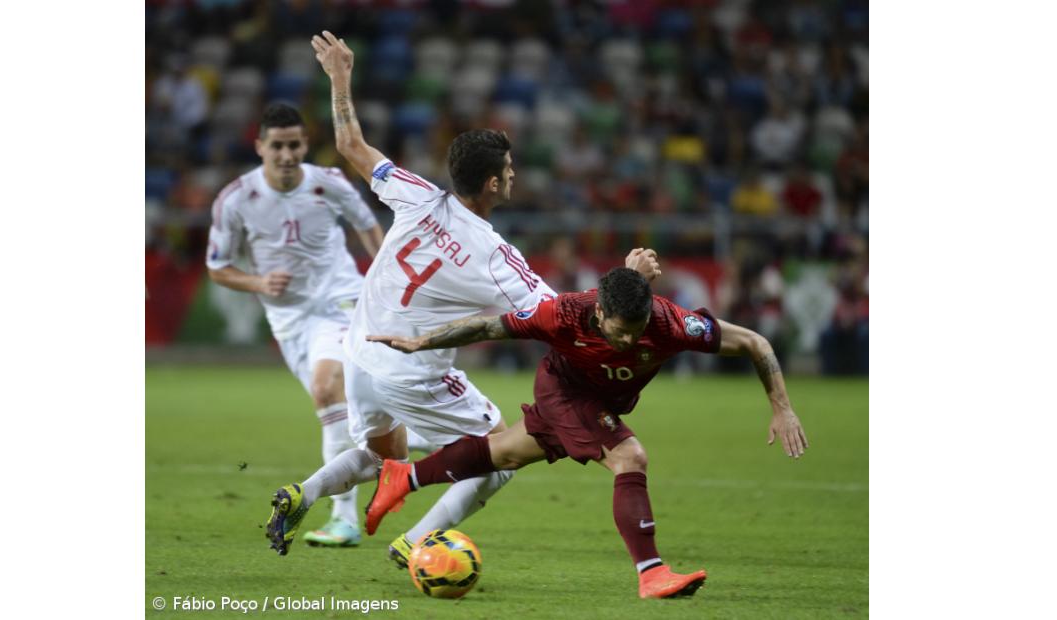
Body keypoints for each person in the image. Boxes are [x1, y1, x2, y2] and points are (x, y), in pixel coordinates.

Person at [263, 32, 661, 562]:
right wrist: (628, 277)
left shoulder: (415, 194)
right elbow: (564, 312)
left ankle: (303, 493)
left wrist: (339, 79)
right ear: (493, 184)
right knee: (500, 455)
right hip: (411, 373)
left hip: (358, 354)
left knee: (385, 455)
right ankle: (416, 544)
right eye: (510, 170)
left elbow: (351, 146)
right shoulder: (495, 257)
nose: (515, 175)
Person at [362, 267, 810, 599]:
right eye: (620, 332)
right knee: (629, 457)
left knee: (506, 453)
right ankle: (651, 571)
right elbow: (487, 326)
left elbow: (755, 343)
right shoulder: (563, 314)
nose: (630, 343)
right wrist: (422, 342)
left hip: (595, 401)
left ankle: (404, 477)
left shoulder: (671, 324)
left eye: (637, 333)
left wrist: (782, 408)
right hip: (563, 390)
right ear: (599, 312)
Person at [207, 102, 435, 547]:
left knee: (327, 385)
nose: (287, 154)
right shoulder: (235, 200)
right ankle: (419, 437)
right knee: (339, 407)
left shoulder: (329, 183)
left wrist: (384, 281)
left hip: (341, 300)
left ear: (305, 145)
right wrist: (256, 280)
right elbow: (217, 267)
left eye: (294, 145)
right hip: (289, 320)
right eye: (277, 146)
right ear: (260, 147)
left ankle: (343, 519)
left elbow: (371, 229)